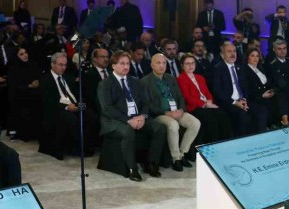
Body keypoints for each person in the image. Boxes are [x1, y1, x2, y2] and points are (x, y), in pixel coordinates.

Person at [97, 51, 167, 182]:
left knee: (160, 127)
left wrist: (142, 116)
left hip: (137, 117)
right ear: (113, 66)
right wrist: (128, 120)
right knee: (128, 131)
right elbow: (107, 109)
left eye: (128, 64)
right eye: (122, 63)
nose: (126, 66)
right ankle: (132, 169)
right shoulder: (105, 84)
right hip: (114, 120)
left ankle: (151, 163)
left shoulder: (135, 81)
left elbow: (145, 103)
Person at [141, 53, 200, 171]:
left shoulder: (171, 78)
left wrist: (181, 109)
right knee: (173, 125)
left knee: (195, 123)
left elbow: (180, 97)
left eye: (164, 63)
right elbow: (147, 105)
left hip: (176, 111)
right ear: (152, 65)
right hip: (160, 114)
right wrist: (167, 113)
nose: (162, 65)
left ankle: (182, 153)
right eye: (158, 63)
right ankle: (175, 158)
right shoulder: (145, 81)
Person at [39, 52, 98, 160]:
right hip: (58, 108)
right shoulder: (45, 79)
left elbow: (77, 93)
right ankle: (75, 148)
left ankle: (87, 147)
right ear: (52, 64)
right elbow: (49, 100)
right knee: (70, 119)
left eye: (65, 65)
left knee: (91, 115)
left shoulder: (68, 77)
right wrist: (66, 107)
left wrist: (80, 104)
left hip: (74, 105)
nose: (63, 68)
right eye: (60, 65)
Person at [211, 42, 267, 137]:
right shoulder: (217, 69)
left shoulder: (240, 68)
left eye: (234, 51)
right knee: (242, 116)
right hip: (228, 102)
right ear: (222, 54)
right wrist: (235, 102)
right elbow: (218, 92)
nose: (233, 54)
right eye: (229, 51)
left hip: (242, 101)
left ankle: (260, 139)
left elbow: (245, 87)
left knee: (261, 111)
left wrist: (244, 99)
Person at [176, 53, 233, 145]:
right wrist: (204, 104)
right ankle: (213, 145)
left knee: (222, 114)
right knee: (211, 119)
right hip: (194, 107)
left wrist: (209, 101)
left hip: (207, 104)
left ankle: (227, 142)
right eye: (187, 63)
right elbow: (187, 97)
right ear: (182, 66)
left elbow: (207, 93)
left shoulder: (200, 77)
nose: (191, 66)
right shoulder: (181, 79)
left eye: (193, 63)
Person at [243, 47, 288, 127]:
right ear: (247, 57)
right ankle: (274, 125)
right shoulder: (245, 71)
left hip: (267, 94)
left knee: (281, 95)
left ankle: (285, 121)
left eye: (257, 56)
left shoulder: (261, 68)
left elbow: (268, 83)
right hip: (256, 98)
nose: (255, 58)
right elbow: (248, 90)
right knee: (269, 105)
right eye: (252, 56)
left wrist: (272, 90)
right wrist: (262, 95)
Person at [7, 48, 42, 141]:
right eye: (21, 54)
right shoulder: (14, 69)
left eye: (26, 52)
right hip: (20, 95)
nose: (25, 55)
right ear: (17, 56)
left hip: (34, 93)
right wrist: (29, 86)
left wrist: (38, 82)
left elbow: (39, 77)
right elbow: (15, 86)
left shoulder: (33, 65)